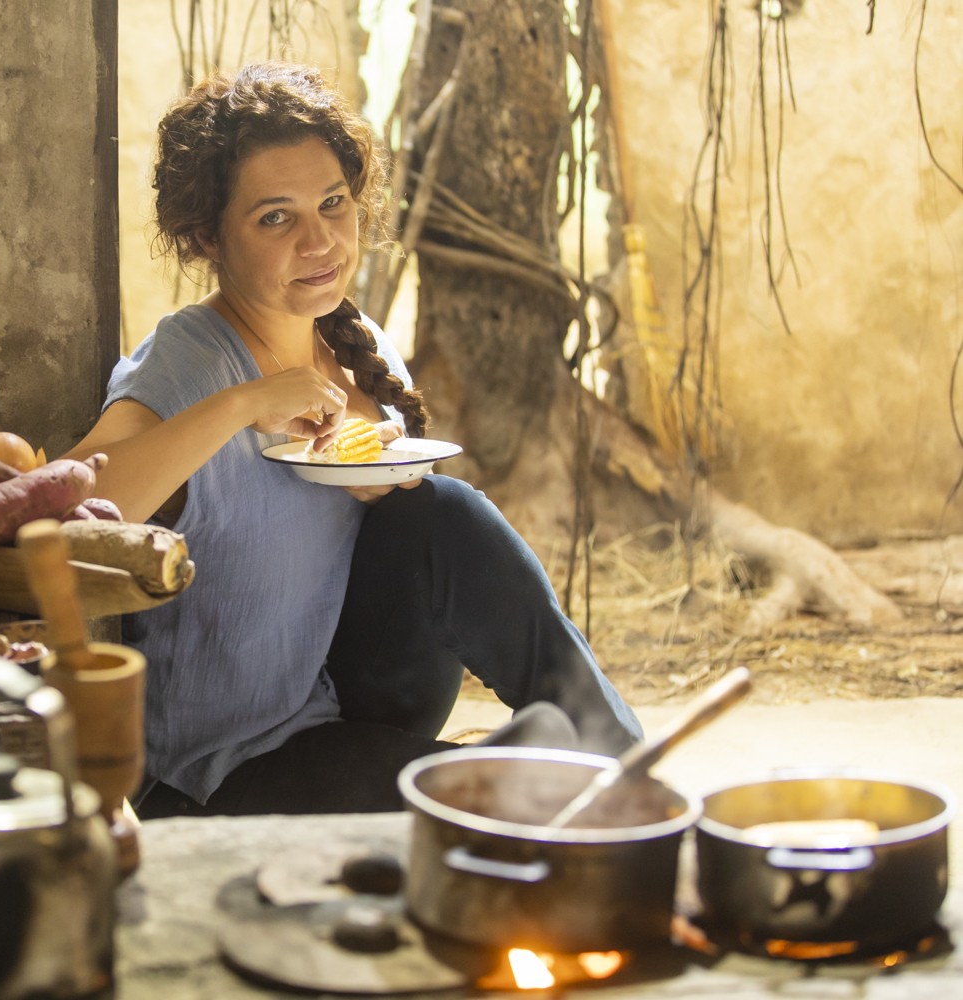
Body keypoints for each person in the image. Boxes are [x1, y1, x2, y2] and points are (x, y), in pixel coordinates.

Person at [64, 61, 642, 818]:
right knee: (504, 806)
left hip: (350, 704)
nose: (321, 241)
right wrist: (245, 404)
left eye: (333, 203)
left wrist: (386, 493)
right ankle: (538, 770)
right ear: (209, 236)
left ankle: (621, 759)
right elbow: (69, 513)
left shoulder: (355, 343)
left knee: (442, 511)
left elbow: (406, 556)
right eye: (276, 217)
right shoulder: (189, 359)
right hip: (223, 765)